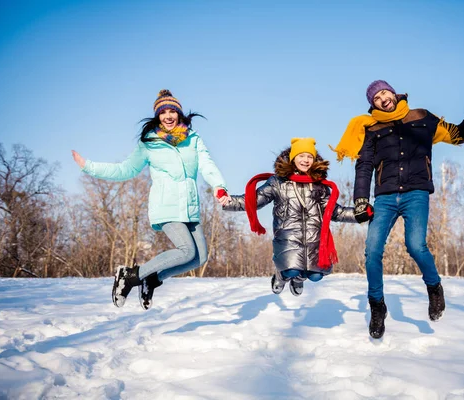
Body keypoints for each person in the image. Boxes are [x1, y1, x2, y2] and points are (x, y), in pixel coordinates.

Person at [331, 77, 464, 338]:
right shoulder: (372, 129)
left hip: (416, 193)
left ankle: (434, 288)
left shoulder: (422, 117)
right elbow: (363, 167)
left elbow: (460, 135)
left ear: (394, 93)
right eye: (376, 98)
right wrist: (361, 201)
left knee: (415, 245)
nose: (382, 98)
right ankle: (377, 306)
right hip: (385, 198)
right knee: (372, 250)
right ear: (372, 104)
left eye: (385, 93)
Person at [72, 89, 230, 310]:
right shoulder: (149, 143)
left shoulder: (193, 140)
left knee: (199, 258)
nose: (168, 116)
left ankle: (153, 279)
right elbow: (125, 169)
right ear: (157, 116)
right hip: (166, 206)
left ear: (179, 114)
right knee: (187, 250)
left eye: (171, 111)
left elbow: (207, 164)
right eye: (163, 112)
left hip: (190, 207)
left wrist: (219, 186)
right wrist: (90, 167)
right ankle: (130, 275)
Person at [223, 137, 357, 296]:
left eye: (309, 157)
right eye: (301, 156)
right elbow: (254, 200)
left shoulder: (319, 185)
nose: (305, 160)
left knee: (315, 276)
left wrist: (360, 214)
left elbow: (335, 211)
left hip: (314, 239)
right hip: (288, 237)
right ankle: (280, 276)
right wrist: (228, 201)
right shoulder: (278, 182)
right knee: (291, 270)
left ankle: (299, 280)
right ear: (293, 158)